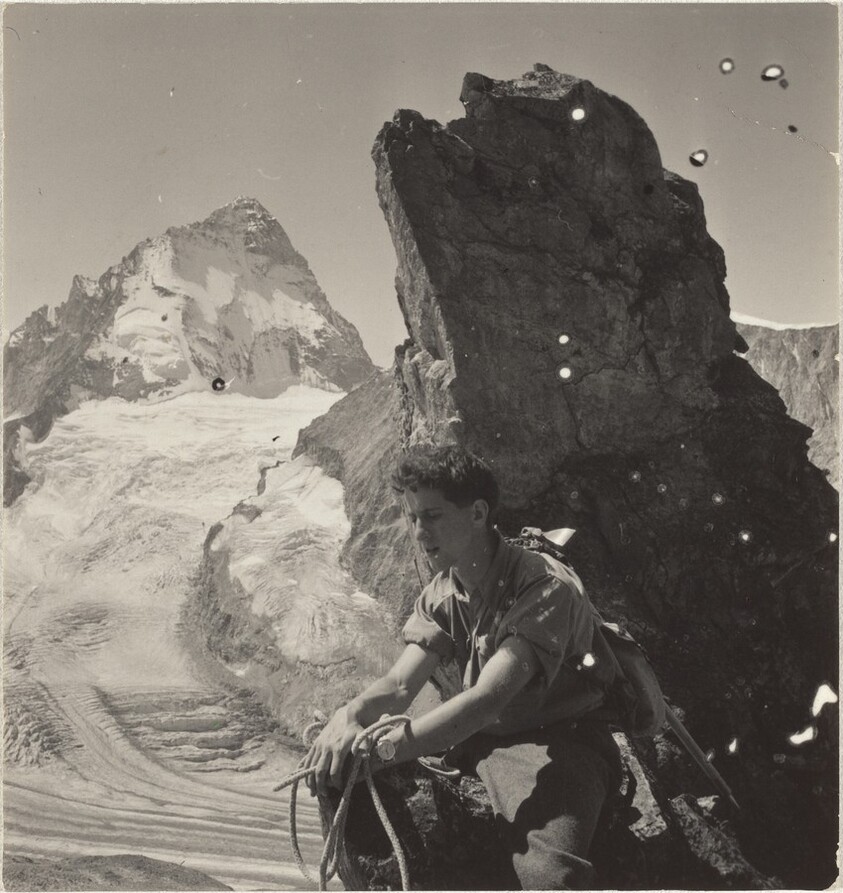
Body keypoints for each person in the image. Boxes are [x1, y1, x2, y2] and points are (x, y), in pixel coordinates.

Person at [302, 443, 622, 890]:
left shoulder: (544, 587)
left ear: (477, 513)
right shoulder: (443, 593)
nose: (418, 531)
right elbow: (399, 684)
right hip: (477, 740)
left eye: (432, 516)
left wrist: (388, 751)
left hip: (556, 743)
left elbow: (487, 700)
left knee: (549, 877)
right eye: (412, 518)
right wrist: (349, 715)